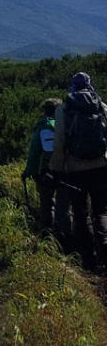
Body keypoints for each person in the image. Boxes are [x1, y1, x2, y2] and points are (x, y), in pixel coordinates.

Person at [50, 71, 107, 270]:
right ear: (89, 84)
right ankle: (105, 247)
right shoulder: (101, 106)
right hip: (101, 167)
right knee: (101, 211)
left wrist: (55, 169)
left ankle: (89, 259)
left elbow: (59, 144)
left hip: (75, 170)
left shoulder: (63, 109)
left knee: (80, 213)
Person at [22, 97, 71, 240]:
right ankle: (65, 237)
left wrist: (27, 172)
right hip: (65, 170)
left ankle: (47, 237)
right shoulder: (67, 124)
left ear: (45, 110)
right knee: (64, 206)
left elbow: (34, 152)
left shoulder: (43, 126)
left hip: (45, 171)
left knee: (46, 204)